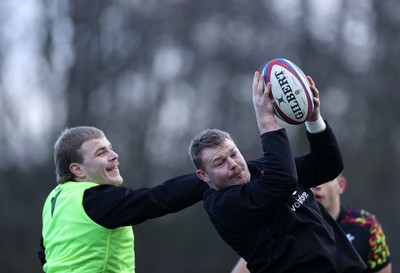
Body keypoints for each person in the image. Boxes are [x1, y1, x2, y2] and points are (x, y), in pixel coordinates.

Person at [188, 71, 367, 273]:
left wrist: (313, 118)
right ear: (203, 175)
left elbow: (327, 166)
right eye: (219, 162)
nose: (234, 164)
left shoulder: (262, 169)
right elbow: (282, 182)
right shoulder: (222, 205)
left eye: (234, 154)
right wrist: (266, 120)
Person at [38, 126, 208, 272]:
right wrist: (209, 177)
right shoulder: (95, 199)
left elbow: (47, 255)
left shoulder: (55, 199)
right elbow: (157, 199)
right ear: (78, 170)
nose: (114, 155)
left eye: (110, 148)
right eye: (101, 153)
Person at [230, 174, 392, 273]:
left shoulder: (366, 225)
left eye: (324, 178)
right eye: (308, 179)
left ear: (340, 185)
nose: (315, 185)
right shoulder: (280, 227)